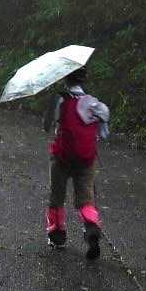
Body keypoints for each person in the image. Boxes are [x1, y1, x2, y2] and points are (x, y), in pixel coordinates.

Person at [42, 67, 110, 260]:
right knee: (86, 199)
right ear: (83, 80)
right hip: (86, 159)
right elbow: (104, 133)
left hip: (62, 156)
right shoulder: (96, 104)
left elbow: (46, 126)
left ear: (65, 79)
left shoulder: (59, 99)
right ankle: (91, 228)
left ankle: (57, 235)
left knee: (56, 196)